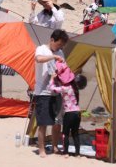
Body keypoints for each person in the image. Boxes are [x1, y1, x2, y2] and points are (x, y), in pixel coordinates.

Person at [34, 29, 69, 157]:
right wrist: (53, 57)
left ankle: (54, 147)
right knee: (43, 123)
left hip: (56, 91)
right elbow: (38, 59)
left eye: (62, 46)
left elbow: (63, 68)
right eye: (59, 44)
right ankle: (41, 149)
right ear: (52, 40)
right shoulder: (41, 49)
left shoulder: (60, 53)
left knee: (57, 122)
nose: (60, 47)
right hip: (43, 92)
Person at [48, 66, 87, 157]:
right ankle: (77, 153)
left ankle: (66, 152)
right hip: (77, 113)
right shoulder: (76, 89)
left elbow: (51, 88)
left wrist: (52, 79)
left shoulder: (66, 88)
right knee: (75, 134)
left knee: (65, 133)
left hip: (69, 114)